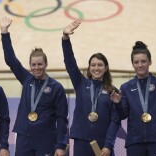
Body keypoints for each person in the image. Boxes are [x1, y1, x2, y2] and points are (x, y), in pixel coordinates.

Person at [0, 17, 68, 156]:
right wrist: (4, 33)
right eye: (33, 65)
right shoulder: (26, 79)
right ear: (30, 65)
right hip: (24, 137)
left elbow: (61, 118)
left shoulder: (56, 87)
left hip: (46, 138)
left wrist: (61, 144)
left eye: (40, 64)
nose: (37, 68)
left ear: (46, 64)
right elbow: (10, 60)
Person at [62, 21, 121, 156]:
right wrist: (65, 38)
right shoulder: (81, 83)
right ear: (89, 68)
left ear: (106, 68)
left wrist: (108, 145)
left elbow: (115, 121)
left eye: (100, 65)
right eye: (93, 65)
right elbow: (70, 62)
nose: (96, 68)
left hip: (103, 143)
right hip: (81, 141)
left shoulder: (113, 91)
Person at [110, 41, 156, 156]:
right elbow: (123, 115)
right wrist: (117, 104)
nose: (140, 65)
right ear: (132, 64)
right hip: (134, 143)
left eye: (143, 61)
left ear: (150, 62)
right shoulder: (126, 88)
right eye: (136, 62)